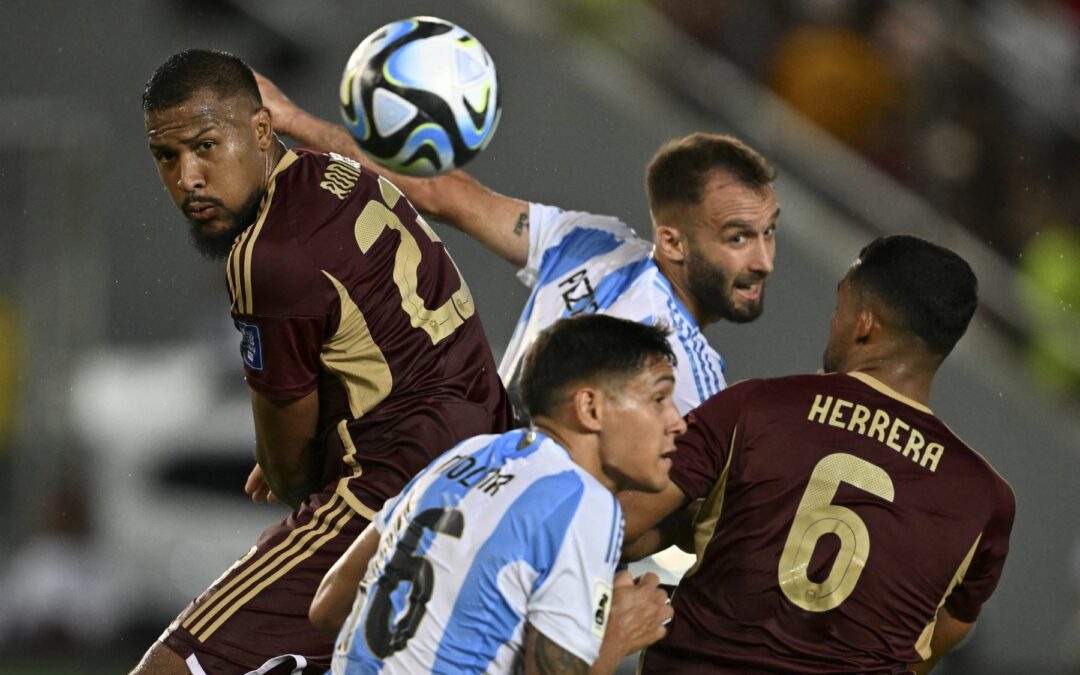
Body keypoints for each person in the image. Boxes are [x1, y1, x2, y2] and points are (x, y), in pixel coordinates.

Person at [257, 73, 780, 581]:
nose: (764, 262)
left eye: (769, 233)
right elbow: (616, 532)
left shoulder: (594, 246)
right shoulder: (695, 383)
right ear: (672, 242)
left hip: (430, 497)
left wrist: (296, 120)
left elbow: (441, 193)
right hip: (477, 566)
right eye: (739, 239)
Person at [134, 49, 513, 675]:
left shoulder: (266, 256)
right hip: (489, 464)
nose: (189, 178)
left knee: (176, 665)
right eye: (166, 157)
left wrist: (293, 461)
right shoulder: (340, 173)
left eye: (205, 146)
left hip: (391, 498)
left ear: (260, 131)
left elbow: (286, 470)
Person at [618, 235, 1016, 673]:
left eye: (840, 306)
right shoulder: (984, 500)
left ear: (864, 324)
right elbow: (925, 649)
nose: (834, 321)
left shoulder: (756, 408)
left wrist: (689, 524)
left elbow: (618, 525)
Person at [310, 314, 683, 674]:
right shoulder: (584, 501)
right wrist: (619, 635)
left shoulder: (465, 454)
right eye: (658, 399)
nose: (677, 422)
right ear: (590, 408)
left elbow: (327, 607)